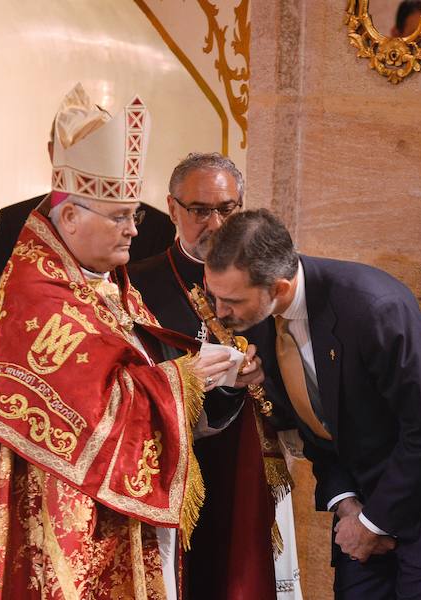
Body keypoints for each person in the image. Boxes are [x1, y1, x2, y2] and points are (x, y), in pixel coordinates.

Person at [0, 83, 234, 600]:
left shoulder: (113, 288)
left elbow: (133, 374)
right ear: (69, 218)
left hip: (116, 504)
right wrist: (182, 379)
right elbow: (86, 408)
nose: (133, 230)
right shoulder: (35, 296)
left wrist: (196, 378)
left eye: (134, 216)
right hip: (61, 510)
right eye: (120, 217)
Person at [202, 209, 421, 600]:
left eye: (231, 301)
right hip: (364, 491)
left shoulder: (374, 307)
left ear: (278, 287)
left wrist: (373, 523)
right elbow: (315, 421)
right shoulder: (257, 317)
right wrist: (347, 505)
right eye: (215, 295)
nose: (221, 312)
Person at [127, 153, 301, 599]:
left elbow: (291, 376)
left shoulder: (267, 280)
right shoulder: (135, 283)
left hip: (246, 464)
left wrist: (262, 379)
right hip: (168, 466)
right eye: (201, 210)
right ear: (172, 208)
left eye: (228, 209)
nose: (217, 223)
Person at [0, 120, 175, 334]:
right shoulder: (15, 221)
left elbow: (160, 316)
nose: (91, 161)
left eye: (102, 149)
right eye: (79, 151)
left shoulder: (154, 227)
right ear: (53, 153)